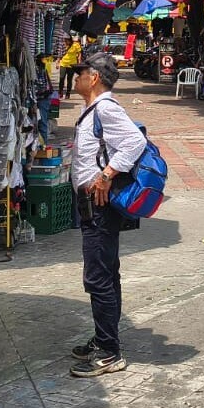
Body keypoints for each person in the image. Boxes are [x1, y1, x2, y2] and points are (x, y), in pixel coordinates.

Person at [69, 52, 147, 377]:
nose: (75, 78)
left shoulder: (105, 107)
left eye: (80, 72)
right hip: (93, 206)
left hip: (100, 206)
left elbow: (134, 141)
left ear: (95, 77)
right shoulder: (95, 109)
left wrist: (106, 174)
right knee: (106, 274)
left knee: (98, 277)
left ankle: (110, 351)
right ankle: (105, 337)